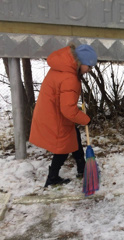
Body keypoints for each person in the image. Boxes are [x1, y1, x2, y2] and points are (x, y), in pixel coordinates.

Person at [29, 44, 97, 187]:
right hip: (56, 117)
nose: (90, 70)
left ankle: (81, 167)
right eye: (89, 67)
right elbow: (68, 110)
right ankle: (52, 178)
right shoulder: (70, 78)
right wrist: (86, 120)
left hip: (50, 112)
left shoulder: (62, 68)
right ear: (81, 63)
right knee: (64, 146)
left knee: (73, 136)